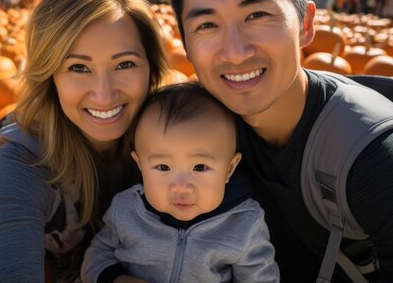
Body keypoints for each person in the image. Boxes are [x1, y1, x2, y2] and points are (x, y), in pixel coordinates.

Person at [167, 0, 393, 282]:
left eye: (257, 15)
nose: (235, 53)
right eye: (206, 25)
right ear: (186, 45)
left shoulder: (386, 167)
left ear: (306, 24)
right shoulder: (196, 129)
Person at [0, 0, 168, 282]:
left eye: (124, 64)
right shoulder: (20, 167)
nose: (104, 94)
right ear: (50, 76)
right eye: (78, 67)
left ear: (151, 69)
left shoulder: (182, 134)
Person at [81, 83, 279, 283]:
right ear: (140, 165)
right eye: (163, 168)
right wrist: (116, 279)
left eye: (200, 167)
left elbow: (261, 278)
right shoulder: (126, 210)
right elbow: (97, 255)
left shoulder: (243, 225)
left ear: (229, 169)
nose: (181, 187)